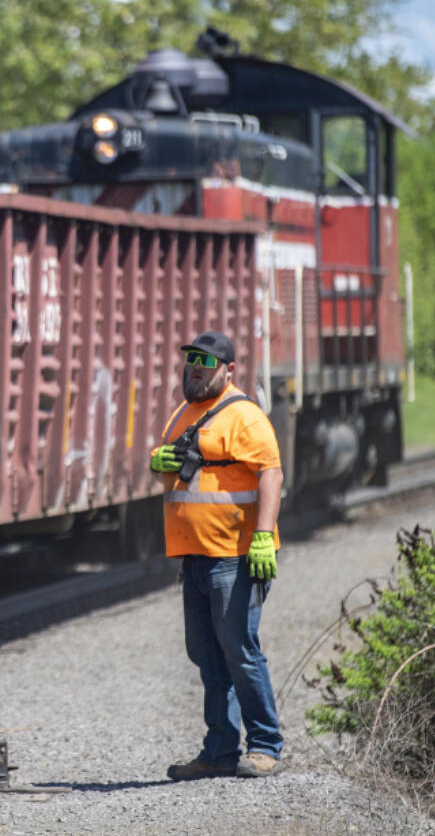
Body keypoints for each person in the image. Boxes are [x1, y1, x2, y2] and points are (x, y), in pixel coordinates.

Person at [150, 330, 285, 779]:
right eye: (191, 359)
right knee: (206, 653)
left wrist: (263, 536)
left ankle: (265, 745)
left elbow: (270, 473)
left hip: (235, 555)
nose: (194, 368)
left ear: (229, 370)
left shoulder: (244, 415)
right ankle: (220, 751)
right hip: (195, 558)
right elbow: (183, 473)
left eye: (205, 362)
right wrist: (160, 463)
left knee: (239, 650)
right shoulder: (185, 412)